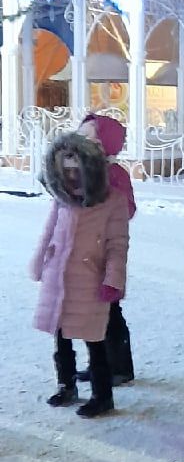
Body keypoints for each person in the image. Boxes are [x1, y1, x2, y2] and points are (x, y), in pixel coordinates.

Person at [30, 130, 129, 417]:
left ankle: (102, 394)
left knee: (94, 340)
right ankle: (66, 384)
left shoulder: (113, 202)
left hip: (90, 280)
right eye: (66, 171)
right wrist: (39, 262)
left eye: (77, 171)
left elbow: (117, 244)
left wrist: (113, 279)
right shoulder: (62, 199)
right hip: (58, 277)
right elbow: (48, 232)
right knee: (61, 335)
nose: (72, 178)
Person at [76, 113, 137, 386]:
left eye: (89, 138)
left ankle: (121, 366)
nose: (82, 143)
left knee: (110, 310)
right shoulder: (79, 170)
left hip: (107, 252)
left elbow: (127, 209)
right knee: (91, 310)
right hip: (84, 251)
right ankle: (98, 363)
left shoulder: (115, 174)